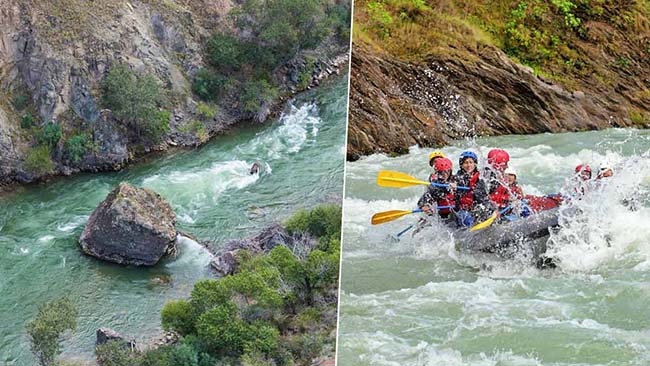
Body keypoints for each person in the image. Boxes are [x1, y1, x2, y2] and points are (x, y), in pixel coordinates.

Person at [454, 151, 494, 227]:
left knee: (488, 212)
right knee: (466, 220)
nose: (468, 165)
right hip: (464, 210)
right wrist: (453, 185)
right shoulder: (458, 177)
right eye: (466, 163)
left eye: (471, 162)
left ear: (475, 164)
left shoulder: (481, 176)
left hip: (477, 207)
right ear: (461, 165)